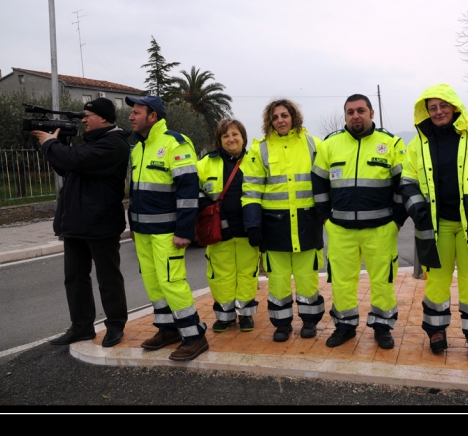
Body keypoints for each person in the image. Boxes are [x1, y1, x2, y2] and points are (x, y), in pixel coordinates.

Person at [400, 83, 468, 364]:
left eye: (443, 106)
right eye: (432, 108)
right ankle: (436, 331)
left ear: (455, 107)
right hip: (436, 227)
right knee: (436, 283)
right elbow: (407, 182)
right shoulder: (417, 146)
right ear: (425, 112)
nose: (438, 112)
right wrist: (419, 213)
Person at [29, 97, 130, 348]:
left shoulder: (114, 144)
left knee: (108, 279)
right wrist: (55, 144)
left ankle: (115, 325)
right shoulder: (91, 143)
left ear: (104, 118)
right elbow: (68, 167)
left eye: (87, 115)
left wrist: (51, 143)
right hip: (75, 223)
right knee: (75, 278)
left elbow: (76, 161)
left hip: (101, 223)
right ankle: (81, 327)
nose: (83, 120)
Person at [311, 94, 407, 350]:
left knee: (383, 281)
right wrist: (324, 218)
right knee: (341, 281)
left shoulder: (391, 143)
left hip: (381, 230)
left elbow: (404, 185)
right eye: (350, 111)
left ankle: (382, 327)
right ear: (345, 115)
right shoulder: (330, 145)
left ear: (371, 113)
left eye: (361, 110)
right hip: (340, 230)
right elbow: (318, 184)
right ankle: (345, 326)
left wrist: (397, 220)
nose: (356, 115)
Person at [126, 95, 208, 361]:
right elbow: (137, 190)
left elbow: (188, 191)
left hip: (167, 232)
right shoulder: (137, 148)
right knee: (154, 283)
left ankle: (195, 336)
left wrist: (184, 231)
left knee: (172, 283)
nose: (131, 116)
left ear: (152, 116)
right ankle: (168, 329)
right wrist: (133, 227)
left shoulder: (175, 143)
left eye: (136, 112)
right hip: (143, 233)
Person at [242, 99, 325, 342]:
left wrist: (324, 214)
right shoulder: (260, 149)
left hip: (307, 222)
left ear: (294, 117)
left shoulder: (313, 144)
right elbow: (251, 190)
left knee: (307, 277)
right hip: (273, 225)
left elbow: (324, 182)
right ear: (270, 121)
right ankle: (282, 323)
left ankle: (310, 321)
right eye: (275, 117)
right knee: (277, 280)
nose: (280, 120)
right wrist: (253, 224)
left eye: (284, 115)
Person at [197, 119, 260, 333]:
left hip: (246, 230)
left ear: (243, 137)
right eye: (225, 136)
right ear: (219, 140)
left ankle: (245, 316)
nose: (231, 139)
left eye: (235, 134)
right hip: (218, 231)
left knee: (247, 274)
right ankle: (225, 316)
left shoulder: (255, 160)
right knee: (220, 276)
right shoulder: (206, 163)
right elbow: (193, 190)